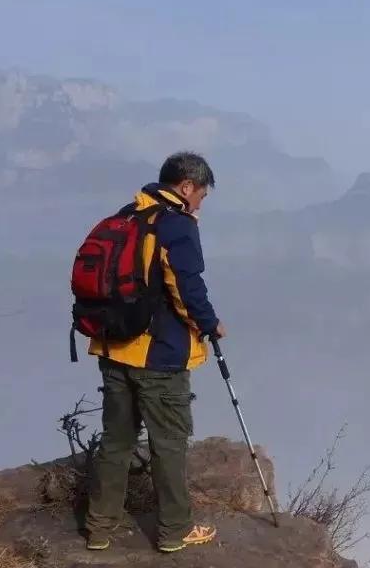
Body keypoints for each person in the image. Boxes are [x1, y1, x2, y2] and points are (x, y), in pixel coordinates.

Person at [84, 151, 227, 553]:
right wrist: (208, 324)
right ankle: (174, 531)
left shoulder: (128, 216)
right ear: (185, 187)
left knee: (117, 441)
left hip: (113, 348)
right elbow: (186, 286)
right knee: (169, 444)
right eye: (200, 195)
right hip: (158, 356)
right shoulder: (175, 225)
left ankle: (98, 528)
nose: (200, 204)